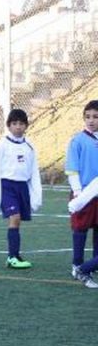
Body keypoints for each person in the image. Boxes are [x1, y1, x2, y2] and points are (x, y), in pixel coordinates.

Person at [0, 108, 42, 270]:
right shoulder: (2, 145)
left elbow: (33, 172)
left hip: (22, 187)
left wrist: (36, 195)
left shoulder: (29, 146)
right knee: (15, 218)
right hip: (7, 187)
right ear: (8, 126)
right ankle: (11, 257)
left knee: (18, 222)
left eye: (21, 124)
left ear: (26, 126)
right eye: (14, 123)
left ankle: (15, 254)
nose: (18, 127)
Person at [65, 99, 98, 288]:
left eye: (95, 117)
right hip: (83, 192)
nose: (91, 120)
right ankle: (77, 266)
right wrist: (78, 191)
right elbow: (72, 169)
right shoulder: (77, 140)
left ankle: (92, 265)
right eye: (87, 117)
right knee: (80, 229)